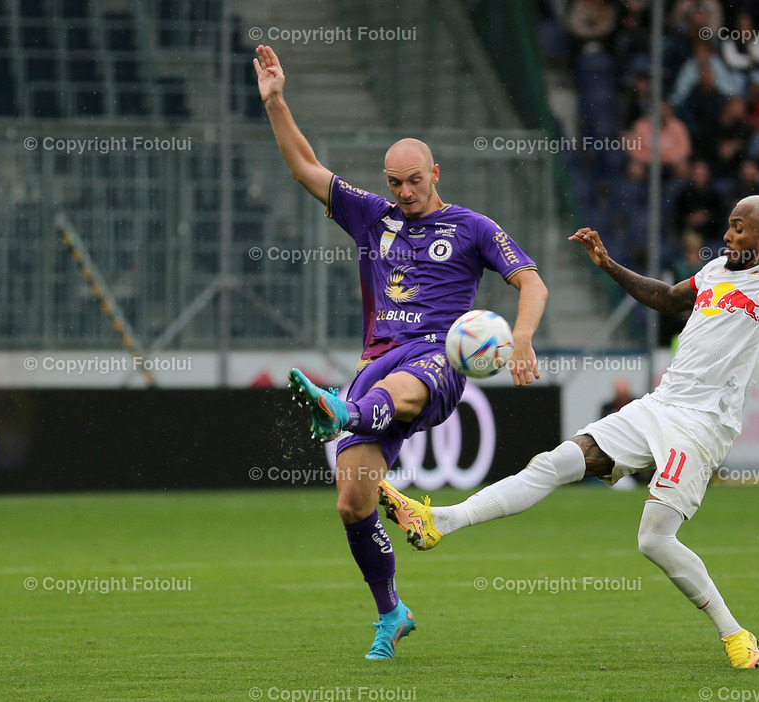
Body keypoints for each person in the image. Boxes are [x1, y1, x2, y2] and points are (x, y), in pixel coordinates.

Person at [381, 148, 759, 669]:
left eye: (739, 228)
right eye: (729, 225)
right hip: (660, 406)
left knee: (654, 539)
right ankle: (440, 523)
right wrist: (609, 265)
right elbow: (665, 299)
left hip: (702, 426)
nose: (728, 235)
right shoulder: (715, 272)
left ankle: (735, 633)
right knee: (554, 463)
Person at [253, 45, 549, 659]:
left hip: (438, 358)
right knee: (351, 502)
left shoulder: (471, 227)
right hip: (374, 361)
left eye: (415, 180)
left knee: (396, 392)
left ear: (435, 173)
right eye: (396, 182)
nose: (406, 191)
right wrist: (277, 102)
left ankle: (341, 411)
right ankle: (392, 613)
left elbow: (532, 282)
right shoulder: (372, 217)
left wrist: (520, 340)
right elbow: (305, 169)